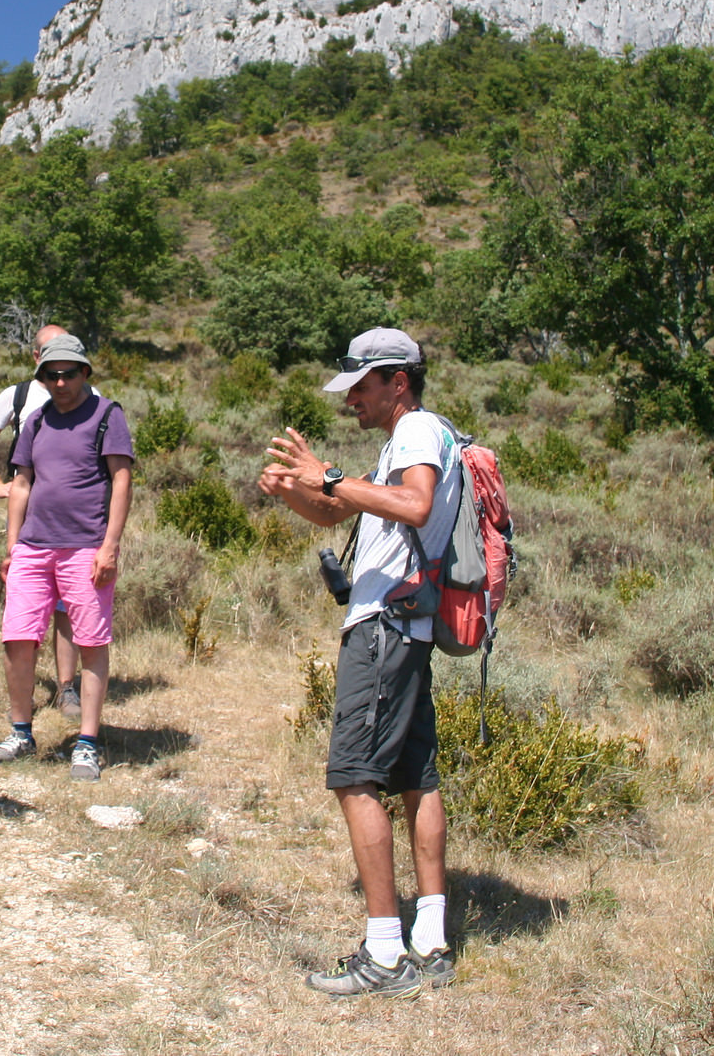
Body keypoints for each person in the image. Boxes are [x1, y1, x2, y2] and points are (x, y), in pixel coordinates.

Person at [258, 328, 464, 997]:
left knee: (354, 776)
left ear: (397, 381)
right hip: (410, 625)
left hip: (385, 628)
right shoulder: (413, 439)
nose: (351, 399)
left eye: (361, 386)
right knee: (415, 774)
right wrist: (296, 489)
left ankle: (384, 952)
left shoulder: (416, 433)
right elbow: (338, 511)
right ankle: (430, 939)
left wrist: (331, 475)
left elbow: (414, 505)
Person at [0, 334, 133, 782]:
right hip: (33, 546)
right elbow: (22, 482)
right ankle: (21, 731)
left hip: (85, 547)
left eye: (69, 373)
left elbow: (121, 481)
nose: (61, 381)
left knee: (91, 643)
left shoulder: (108, 415)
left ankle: (86, 742)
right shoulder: (37, 420)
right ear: (42, 377)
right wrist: (12, 545)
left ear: (85, 372)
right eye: (52, 374)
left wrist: (110, 546)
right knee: (17, 638)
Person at [0, 324, 86, 714]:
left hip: (74, 520)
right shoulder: (17, 396)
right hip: (29, 513)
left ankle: (67, 686)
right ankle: (24, 697)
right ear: (36, 358)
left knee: (67, 607)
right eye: (50, 355)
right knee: (29, 606)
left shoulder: (91, 397)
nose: (60, 372)